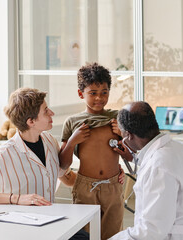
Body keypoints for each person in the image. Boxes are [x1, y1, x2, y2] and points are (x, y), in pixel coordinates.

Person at [0, 88, 88, 240]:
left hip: (49, 223)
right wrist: (17, 199)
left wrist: (105, 178)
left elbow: (67, 178)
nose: (52, 113)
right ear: (31, 121)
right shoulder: (5, 153)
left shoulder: (49, 141)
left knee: (84, 236)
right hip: (20, 230)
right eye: (45, 111)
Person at [109, 101, 183, 240]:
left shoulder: (157, 166)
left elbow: (150, 231)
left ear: (128, 135)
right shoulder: (180, 148)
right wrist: (134, 158)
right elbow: (162, 165)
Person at [59, 62, 125, 240]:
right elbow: (62, 163)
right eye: (93, 93)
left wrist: (122, 134)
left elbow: (130, 152)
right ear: (81, 94)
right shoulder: (73, 122)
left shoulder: (117, 117)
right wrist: (73, 141)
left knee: (114, 235)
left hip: (113, 186)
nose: (99, 98)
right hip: (85, 188)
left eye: (104, 92)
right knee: (85, 235)